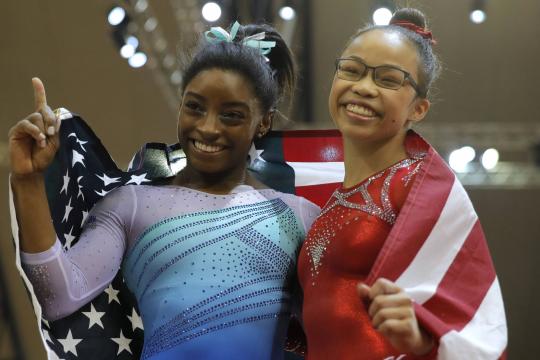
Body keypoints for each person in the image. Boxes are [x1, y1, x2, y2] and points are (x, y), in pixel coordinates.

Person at [8, 22, 320, 359]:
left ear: (264, 122)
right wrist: (28, 181)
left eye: (231, 115)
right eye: (195, 107)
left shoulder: (299, 216)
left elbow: (331, 326)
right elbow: (59, 295)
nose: (207, 127)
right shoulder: (130, 206)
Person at [297, 8, 507, 359]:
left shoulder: (422, 193)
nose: (363, 87)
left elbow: (475, 330)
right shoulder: (325, 199)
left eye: (389, 79)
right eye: (351, 70)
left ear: (418, 109)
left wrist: (424, 340)